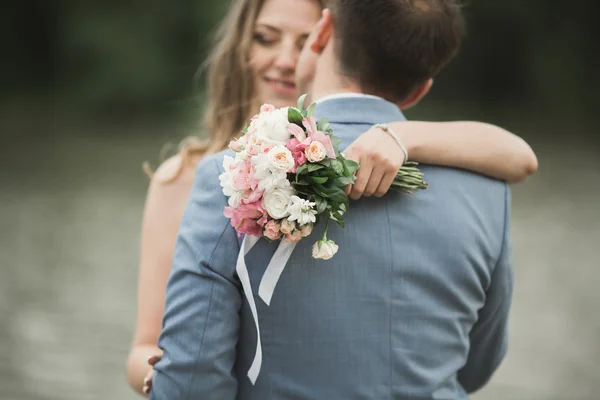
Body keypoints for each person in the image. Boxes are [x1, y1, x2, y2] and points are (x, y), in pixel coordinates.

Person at [127, 0, 537, 396]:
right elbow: (475, 361)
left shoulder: (221, 173)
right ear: (420, 89)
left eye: (301, 39)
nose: (286, 60)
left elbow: (194, 379)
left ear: (322, 34)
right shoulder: (487, 191)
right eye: (267, 38)